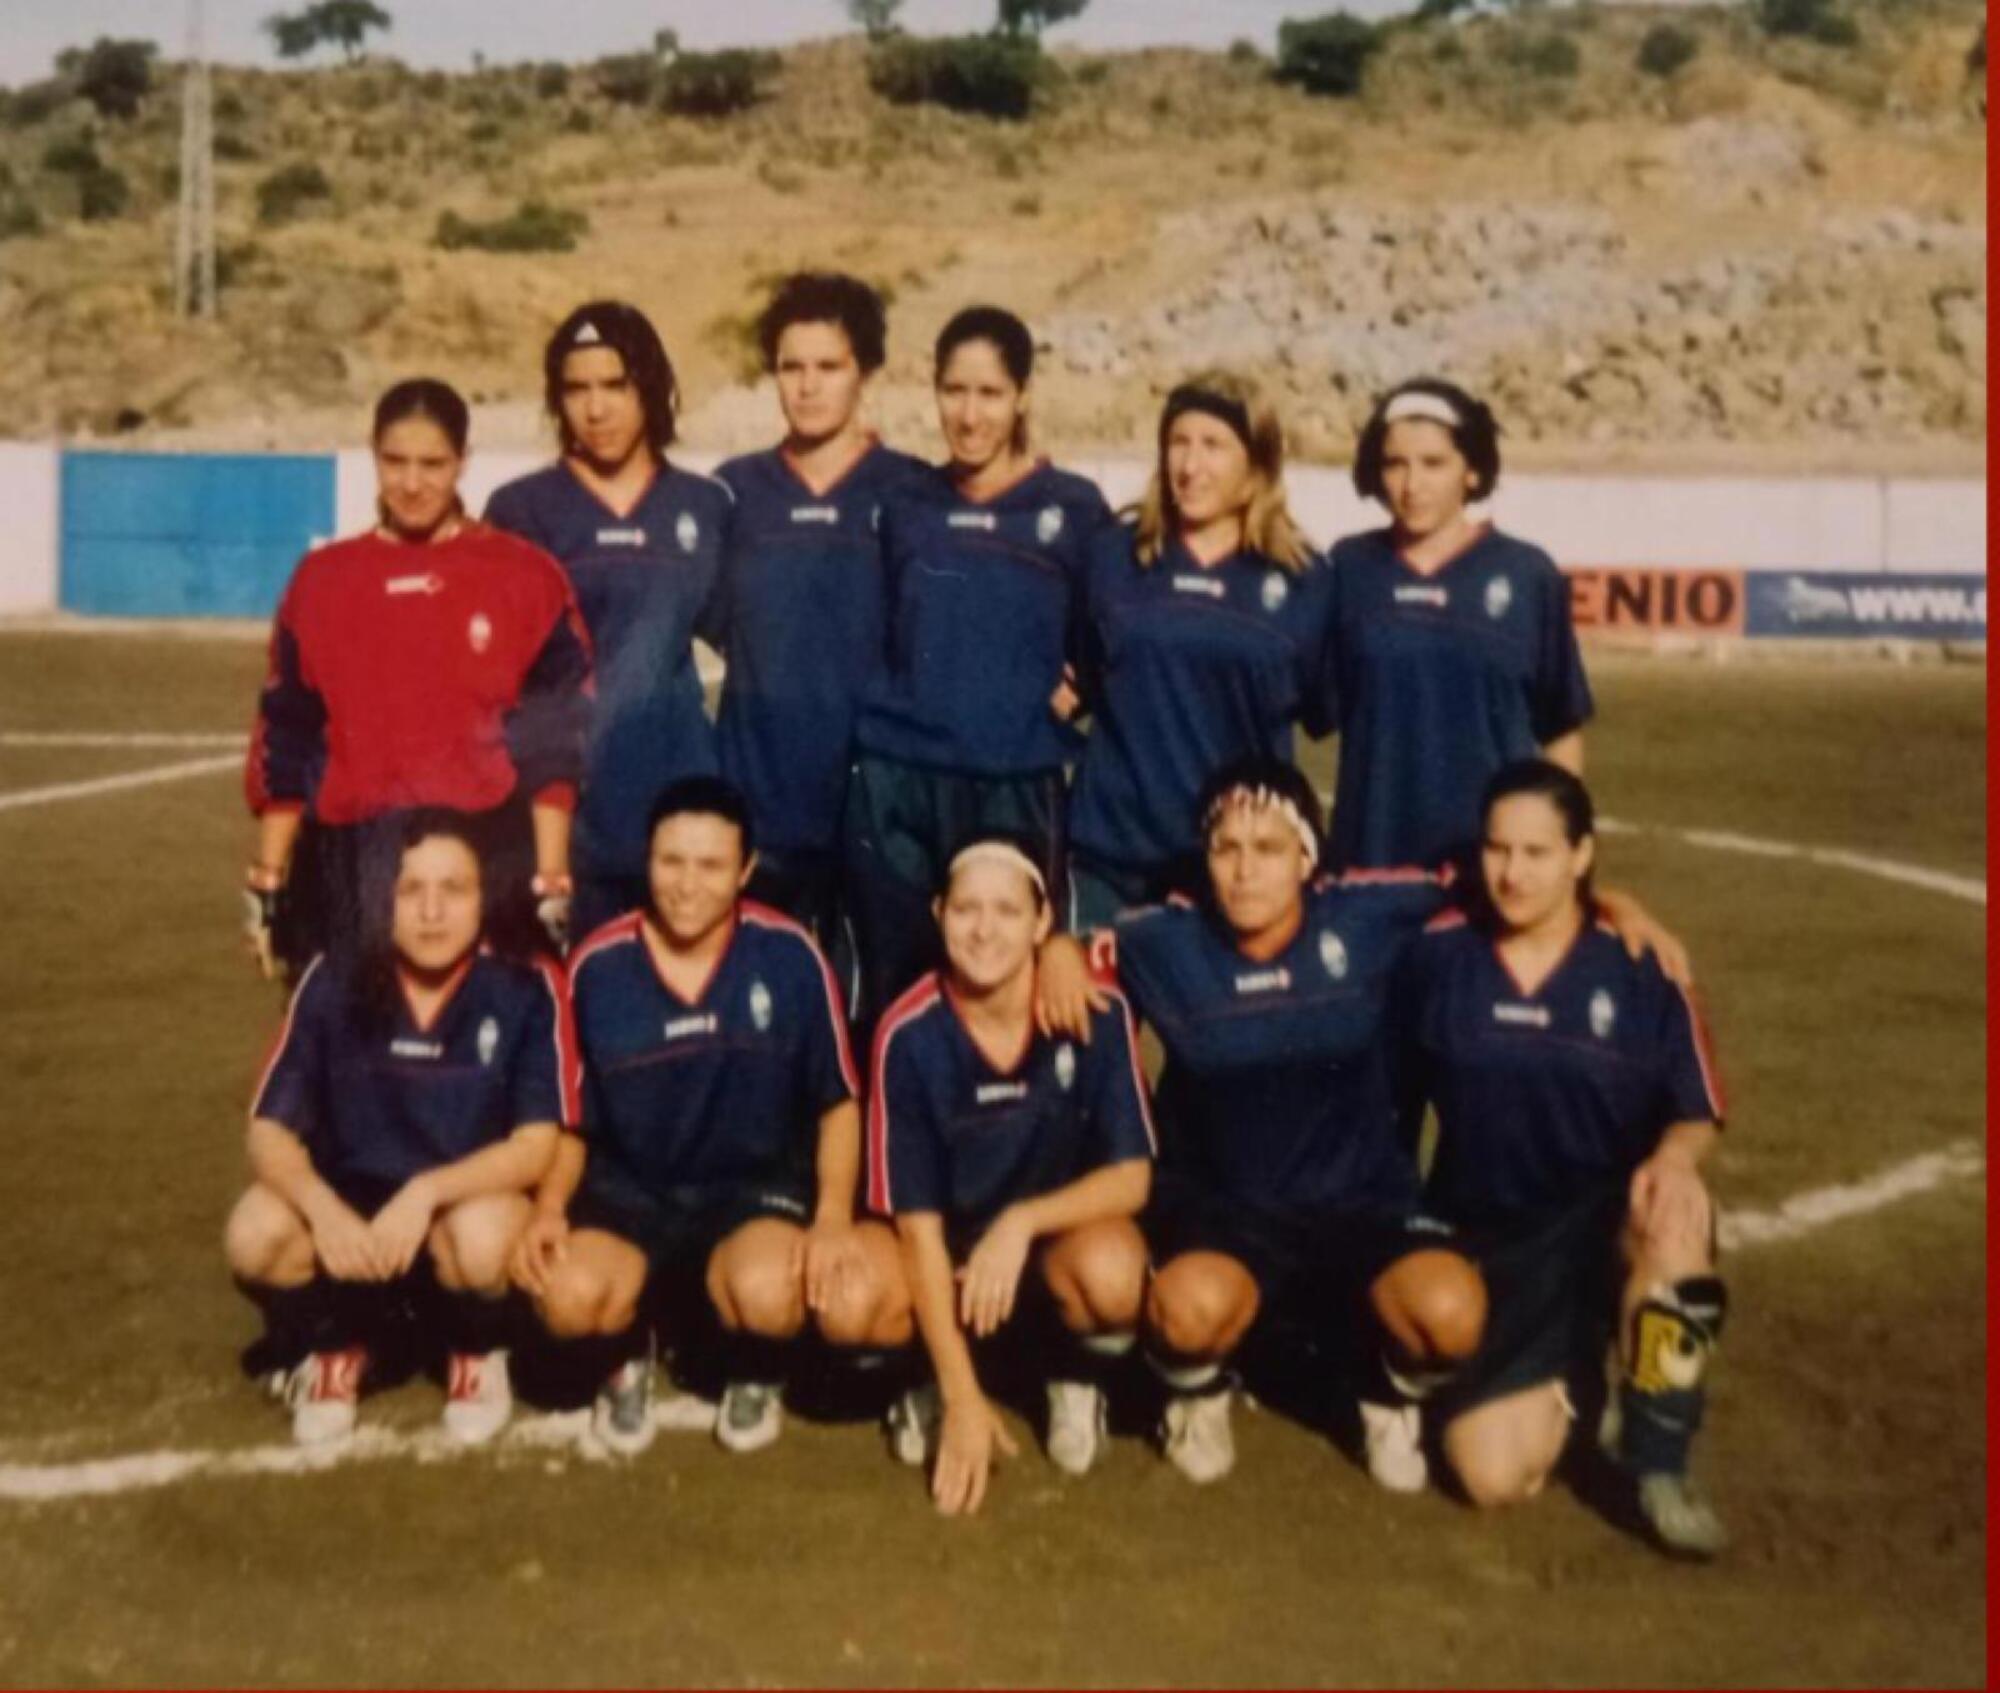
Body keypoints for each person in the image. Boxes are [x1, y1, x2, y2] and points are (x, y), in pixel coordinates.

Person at [1047, 758, 1482, 1490]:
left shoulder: (1370, 914)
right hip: (1226, 1213)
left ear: (1307, 858)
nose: (1245, 870)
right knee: (1185, 1313)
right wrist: (1060, 949)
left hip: (1360, 1202)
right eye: (1227, 849)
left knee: (1450, 1314)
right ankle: (1197, 1391)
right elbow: (1072, 950)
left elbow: (1512, 891)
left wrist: (1618, 908)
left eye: (1269, 849)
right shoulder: (1168, 939)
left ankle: (1383, 1391)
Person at [513, 777, 907, 1457]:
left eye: (710, 865)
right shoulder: (597, 967)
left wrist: (834, 1216)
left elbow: (838, 1100)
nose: (687, 884)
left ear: (745, 871)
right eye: (671, 862)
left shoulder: (789, 957)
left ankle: (751, 1366)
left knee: (770, 1294)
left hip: (749, 1194)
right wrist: (549, 1207)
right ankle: (627, 1349)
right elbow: (573, 1121)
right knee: (567, 1296)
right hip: (630, 1193)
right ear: (646, 859)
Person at [1395, 759, 1729, 1557]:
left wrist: (1679, 1159)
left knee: (1678, 1225)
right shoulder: (1441, 957)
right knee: (1489, 1479)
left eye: (1537, 852)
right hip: (1489, 1241)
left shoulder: (1642, 966)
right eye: (1498, 850)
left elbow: (1696, 1109)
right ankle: (1583, 1377)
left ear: (1582, 855)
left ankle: (1659, 1461)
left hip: (1606, 1220)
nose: (1512, 873)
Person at [223, 811, 573, 1446]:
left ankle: (474, 1350)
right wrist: (322, 1209)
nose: (431, 913)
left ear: (484, 897)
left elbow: (535, 1146)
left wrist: (427, 1192)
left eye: (453, 891)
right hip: (356, 1220)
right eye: (410, 891)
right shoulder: (334, 979)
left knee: (486, 1232)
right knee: (256, 1230)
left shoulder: (522, 988)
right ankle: (333, 1350)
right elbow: (268, 1130)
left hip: (453, 1214)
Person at [244, 379, 591, 976]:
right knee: (347, 1057)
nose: (411, 482)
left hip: (487, 856)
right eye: (394, 461)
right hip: (350, 861)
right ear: (373, 456)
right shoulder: (322, 580)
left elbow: (556, 742)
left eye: (433, 464)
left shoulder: (523, 575)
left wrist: (551, 877)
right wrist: (270, 879)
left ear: (463, 462)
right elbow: (288, 732)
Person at [865, 834, 1155, 1515]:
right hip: (950, 1261)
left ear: (1042, 922)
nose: (985, 929)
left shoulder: (1094, 1012)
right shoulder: (907, 1033)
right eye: (966, 908)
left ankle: (1070, 1373)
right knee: (856, 1299)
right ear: (937, 913)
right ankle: (936, 1381)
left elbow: (1132, 1178)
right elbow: (917, 1232)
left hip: (1043, 1247)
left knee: (1114, 1272)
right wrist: (965, 1400)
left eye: (1006, 909)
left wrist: (1021, 1222)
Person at [843, 305, 1111, 1032]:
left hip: (1012, 781)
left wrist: (1066, 697)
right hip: (897, 777)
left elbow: (1109, 634)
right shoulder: (904, 504)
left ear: (1022, 394)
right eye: (953, 391)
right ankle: (889, 1145)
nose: (969, 414)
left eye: (990, 393)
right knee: (894, 995)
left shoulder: (1074, 508)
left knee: (1012, 997)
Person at [485, 301, 734, 941]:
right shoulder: (521, 511)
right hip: (569, 820)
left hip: (678, 812)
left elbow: (748, 639)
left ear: (650, 387)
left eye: (614, 386)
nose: (595, 409)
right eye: (576, 390)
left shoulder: (702, 507)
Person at [709, 273, 927, 953]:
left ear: (864, 371)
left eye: (828, 366)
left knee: (873, 1020)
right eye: (790, 367)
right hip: (759, 803)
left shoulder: (911, 489)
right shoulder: (735, 490)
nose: (807, 385)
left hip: (875, 808)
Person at [1067, 372, 1334, 928]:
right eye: (1178, 443)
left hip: (1233, 865)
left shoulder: (1304, 580)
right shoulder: (1114, 556)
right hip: (1108, 857)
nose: (1190, 466)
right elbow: (1084, 678)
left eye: (1213, 446)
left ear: (1256, 465)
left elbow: (1321, 711)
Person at [1323, 377, 1592, 875]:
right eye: (1394, 463)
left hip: (1489, 874)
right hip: (1370, 867)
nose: (1412, 484)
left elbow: (1561, 729)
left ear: (1471, 470)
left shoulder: (1526, 573)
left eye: (1433, 463)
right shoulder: (1348, 569)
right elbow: (1309, 709)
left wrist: (1554, 856)